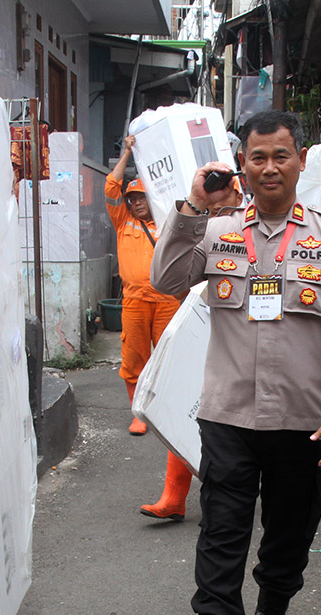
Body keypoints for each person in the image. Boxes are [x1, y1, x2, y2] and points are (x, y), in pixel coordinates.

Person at [149, 110, 321, 615]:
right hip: (228, 412)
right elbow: (168, 278)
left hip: (304, 419)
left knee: (288, 530)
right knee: (223, 526)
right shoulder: (220, 229)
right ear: (243, 165)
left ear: (301, 160)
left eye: (281, 155)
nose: (269, 167)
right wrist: (194, 204)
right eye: (258, 157)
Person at [134, 176, 244, 523]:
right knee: (191, 406)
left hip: (245, 333)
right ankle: (175, 496)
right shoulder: (200, 221)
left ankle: (232, 492)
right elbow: (170, 276)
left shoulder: (258, 221)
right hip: (200, 322)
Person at [105, 135, 195, 521]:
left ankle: (166, 411)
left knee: (173, 365)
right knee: (134, 357)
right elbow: (110, 186)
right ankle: (140, 411)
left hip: (168, 300)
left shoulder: (168, 220)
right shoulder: (123, 220)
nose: (136, 203)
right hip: (134, 299)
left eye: (141, 197)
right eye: (132, 199)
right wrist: (126, 152)